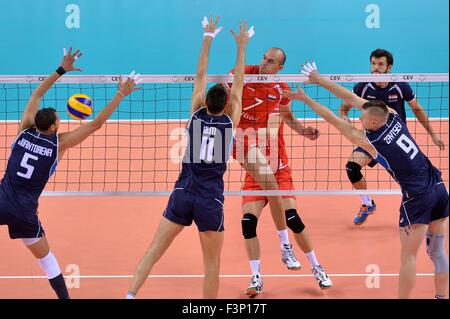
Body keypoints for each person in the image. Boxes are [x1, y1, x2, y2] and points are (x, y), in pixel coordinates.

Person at [285, 62, 449, 299]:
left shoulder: (370, 142)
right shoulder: (391, 115)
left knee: (409, 257)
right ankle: (441, 297)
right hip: (439, 187)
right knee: (438, 253)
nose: (359, 118)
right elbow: (352, 98)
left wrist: (306, 100)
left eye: (362, 117)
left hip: (417, 198)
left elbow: (333, 118)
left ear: (372, 123)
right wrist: (319, 80)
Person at [125, 17, 251, 299]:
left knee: (153, 251)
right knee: (211, 266)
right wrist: (242, 46)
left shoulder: (196, 113)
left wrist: (207, 37)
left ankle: (131, 294)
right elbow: (240, 81)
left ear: (205, 102)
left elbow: (201, 73)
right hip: (210, 199)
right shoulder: (231, 122)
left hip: (183, 193)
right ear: (228, 104)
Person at [0, 48, 141, 299]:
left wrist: (61, 69)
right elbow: (96, 124)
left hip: (1, 201)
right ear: (53, 127)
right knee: (47, 260)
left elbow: (37, 92)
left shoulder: (24, 130)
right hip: (24, 213)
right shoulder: (58, 144)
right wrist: (121, 93)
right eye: (58, 119)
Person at [227, 48, 331, 296]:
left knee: (293, 218)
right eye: (264, 57)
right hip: (251, 159)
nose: (264, 63)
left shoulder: (281, 89)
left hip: (277, 163)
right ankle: (256, 277)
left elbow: (288, 117)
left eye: (271, 61)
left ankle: (316, 267)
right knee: (248, 223)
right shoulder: (243, 74)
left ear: (279, 68)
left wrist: (303, 130)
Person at [338, 49, 445, 225]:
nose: (375, 68)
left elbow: (416, 109)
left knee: (410, 181)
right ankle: (367, 203)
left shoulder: (400, 85)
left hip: (394, 144)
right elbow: (344, 107)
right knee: (352, 167)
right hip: (372, 141)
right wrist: (344, 117)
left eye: (380, 64)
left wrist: (432, 133)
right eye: (373, 64)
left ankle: (430, 204)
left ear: (389, 67)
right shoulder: (362, 86)